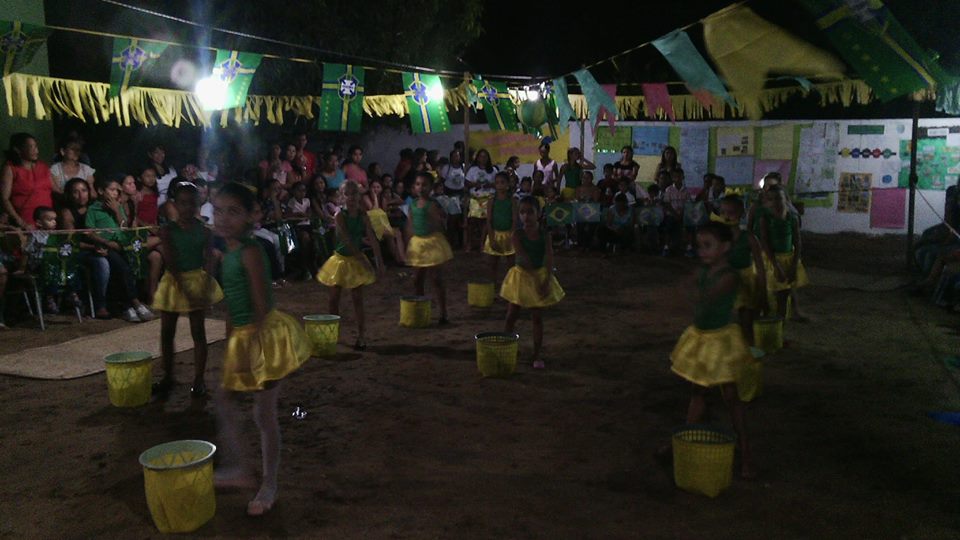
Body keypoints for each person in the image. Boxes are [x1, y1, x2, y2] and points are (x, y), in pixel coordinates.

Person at [210, 182, 311, 517]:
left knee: (262, 414)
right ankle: (241, 468)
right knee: (228, 401)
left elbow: (258, 303)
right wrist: (230, 344)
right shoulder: (228, 252)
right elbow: (231, 305)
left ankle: (267, 483)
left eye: (233, 211)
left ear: (251, 216)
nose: (223, 218)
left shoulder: (251, 251)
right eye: (218, 210)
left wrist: (250, 347)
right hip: (243, 337)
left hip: (262, 339)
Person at [669, 221, 754, 478]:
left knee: (730, 397)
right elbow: (691, 288)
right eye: (699, 246)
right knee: (699, 392)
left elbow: (703, 298)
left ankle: (746, 454)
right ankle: (683, 438)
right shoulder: (706, 271)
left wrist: (687, 292)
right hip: (705, 338)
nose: (702, 251)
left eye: (708, 246)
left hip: (720, 343)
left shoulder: (728, 276)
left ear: (725, 247)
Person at [151, 180, 223, 397]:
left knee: (198, 332)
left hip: (192, 280)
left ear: (198, 204)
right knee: (167, 332)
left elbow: (209, 259)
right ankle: (168, 376)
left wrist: (207, 282)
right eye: (183, 203)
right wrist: (189, 288)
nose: (187, 208)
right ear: (175, 204)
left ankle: (198, 379)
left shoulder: (205, 232)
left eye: (191, 203)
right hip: (175, 281)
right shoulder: (168, 231)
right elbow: (171, 262)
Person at [317, 181, 383, 350]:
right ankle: (334, 333)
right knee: (333, 299)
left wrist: (379, 261)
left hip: (354, 260)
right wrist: (363, 259)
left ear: (358, 196)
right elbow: (345, 239)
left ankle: (362, 335)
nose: (352, 197)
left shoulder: (363, 216)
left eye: (354, 194)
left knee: (357, 299)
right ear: (342, 197)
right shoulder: (340, 215)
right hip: (341, 260)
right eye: (348, 194)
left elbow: (373, 239)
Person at [501, 196, 565, 369]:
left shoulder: (545, 234)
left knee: (537, 317)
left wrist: (548, 279)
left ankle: (537, 354)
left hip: (539, 275)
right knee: (511, 316)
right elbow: (523, 257)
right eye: (522, 212)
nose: (526, 216)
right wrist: (540, 281)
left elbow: (549, 257)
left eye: (530, 212)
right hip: (522, 277)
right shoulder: (517, 234)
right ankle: (505, 349)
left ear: (538, 214)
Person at [85, 176, 156, 322]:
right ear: (100, 191)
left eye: (117, 190)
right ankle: (134, 303)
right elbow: (88, 232)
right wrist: (105, 242)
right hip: (106, 247)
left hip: (122, 245)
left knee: (132, 264)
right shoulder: (93, 209)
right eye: (111, 190)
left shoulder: (118, 207)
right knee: (122, 267)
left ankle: (127, 305)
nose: (115, 193)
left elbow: (124, 229)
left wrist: (117, 211)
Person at [405, 172, 453, 324]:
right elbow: (410, 224)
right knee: (417, 279)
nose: (421, 187)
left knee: (436, 279)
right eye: (418, 184)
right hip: (418, 244)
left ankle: (443, 313)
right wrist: (409, 242)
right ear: (414, 187)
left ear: (431, 187)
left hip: (431, 243)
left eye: (424, 184)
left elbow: (438, 223)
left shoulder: (432, 204)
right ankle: (421, 308)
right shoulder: (412, 204)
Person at [59, 177, 110, 318]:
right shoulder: (67, 212)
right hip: (77, 251)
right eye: (76, 192)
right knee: (102, 263)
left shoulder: (95, 208)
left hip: (100, 246)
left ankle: (123, 301)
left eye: (84, 190)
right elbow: (71, 241)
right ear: (69, 194)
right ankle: (100, 305)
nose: (81, 195)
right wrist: (93, 247)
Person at [720, 196, 766, 344]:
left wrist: (762, 289)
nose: (727, 216)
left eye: (731, 212)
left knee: (747, 322)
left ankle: (751, 351)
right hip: (726, 281)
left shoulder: (750, 238)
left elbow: (760, 266)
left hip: (745, 282)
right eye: (724, 212)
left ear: (742, 214)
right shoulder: (718, 239)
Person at [758, 186, 808, 319]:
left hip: (789, 259)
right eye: (771, 199)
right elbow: (766, 244)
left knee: (785, 294)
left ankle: (781, 324)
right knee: (772, 294)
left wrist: (794, 265)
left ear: (785, 199)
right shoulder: (765, 219)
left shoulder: (792, 218)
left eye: (779, 198)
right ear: (767, 202)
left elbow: (797, 243)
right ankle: (771, 320)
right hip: (772, 260)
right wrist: (776, 265)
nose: (775, 202)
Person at [24, 206, 82, 314]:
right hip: (39, 264)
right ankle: (49, 299)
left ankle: (72, 294)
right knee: (51, 270)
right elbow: (27, 250)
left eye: (55, 219)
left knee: (70, 269)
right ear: (39, 223)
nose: (54, 222)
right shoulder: (35, 235)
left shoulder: (57, 235)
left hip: (56, 265)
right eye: (50, 220)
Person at [2, 133, 53, 230]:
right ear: (18, 149)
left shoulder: (43, 167)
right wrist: (21, 222)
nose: (36, 150)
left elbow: (56, 190)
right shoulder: (10, 168)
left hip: (47, 221)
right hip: (25, 221)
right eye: (31, 147)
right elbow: (4, 199)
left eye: (36, 146)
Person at [483, 172, 517, 283]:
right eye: (497, 183)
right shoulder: (491, 201)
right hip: (495, 234)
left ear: (508, 184)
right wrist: (492, 238)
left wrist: (512, 235)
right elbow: (489, 220)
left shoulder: (512, 200)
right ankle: (493, 285)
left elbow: (514, 219)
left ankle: (511, 286)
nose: (500, 185)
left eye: (502, 182)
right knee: (492, 264)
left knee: (511, 265)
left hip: (509, 234)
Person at [363, 178, 405, 265]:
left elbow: (384, 214)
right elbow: (374, 210)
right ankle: (401, 259)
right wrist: (374, 197)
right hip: (371, 227)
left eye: (378, 187)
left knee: (396, 233)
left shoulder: (383, 199)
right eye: (373, 187)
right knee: (394, 234)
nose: (376, 189)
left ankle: (400, 258)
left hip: (382, 225)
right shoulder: (365, 197)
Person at [464, 149, 498, 252]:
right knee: (472, 221)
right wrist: (475, 184)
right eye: (481, 156)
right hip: (476, 198)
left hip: (488, 198)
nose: (483, 159)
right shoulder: (473, 170)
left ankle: (481, 243)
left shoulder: (493, 170)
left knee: (486, 222)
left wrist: (489, 184)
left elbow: (498, 183)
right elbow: (467, 183)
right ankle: (469, 243)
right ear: (477, 158)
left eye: (485, 156)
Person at [662, 169, 691, 257]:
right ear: (672, 178)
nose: (678, 178)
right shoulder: (669, 189)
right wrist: (675, 214)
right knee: (668, 226)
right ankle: (666, 247)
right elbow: (667, 203)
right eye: (675, 177)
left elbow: (687, 204)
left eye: (679, 176)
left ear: (683, 177)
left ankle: (689, 248)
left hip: (683, 214)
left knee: (688, 227)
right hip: (671, 214)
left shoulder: (686, 190)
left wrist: (681, 214)